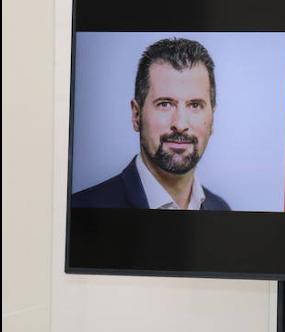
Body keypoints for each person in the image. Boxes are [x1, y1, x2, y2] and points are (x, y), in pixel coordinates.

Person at [72, 37, 230, 211]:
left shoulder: (221, 209)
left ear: (212, 118)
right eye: (165, 104)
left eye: (194, 105)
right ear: (136, 115)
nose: (180, 124)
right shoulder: (82, 208)